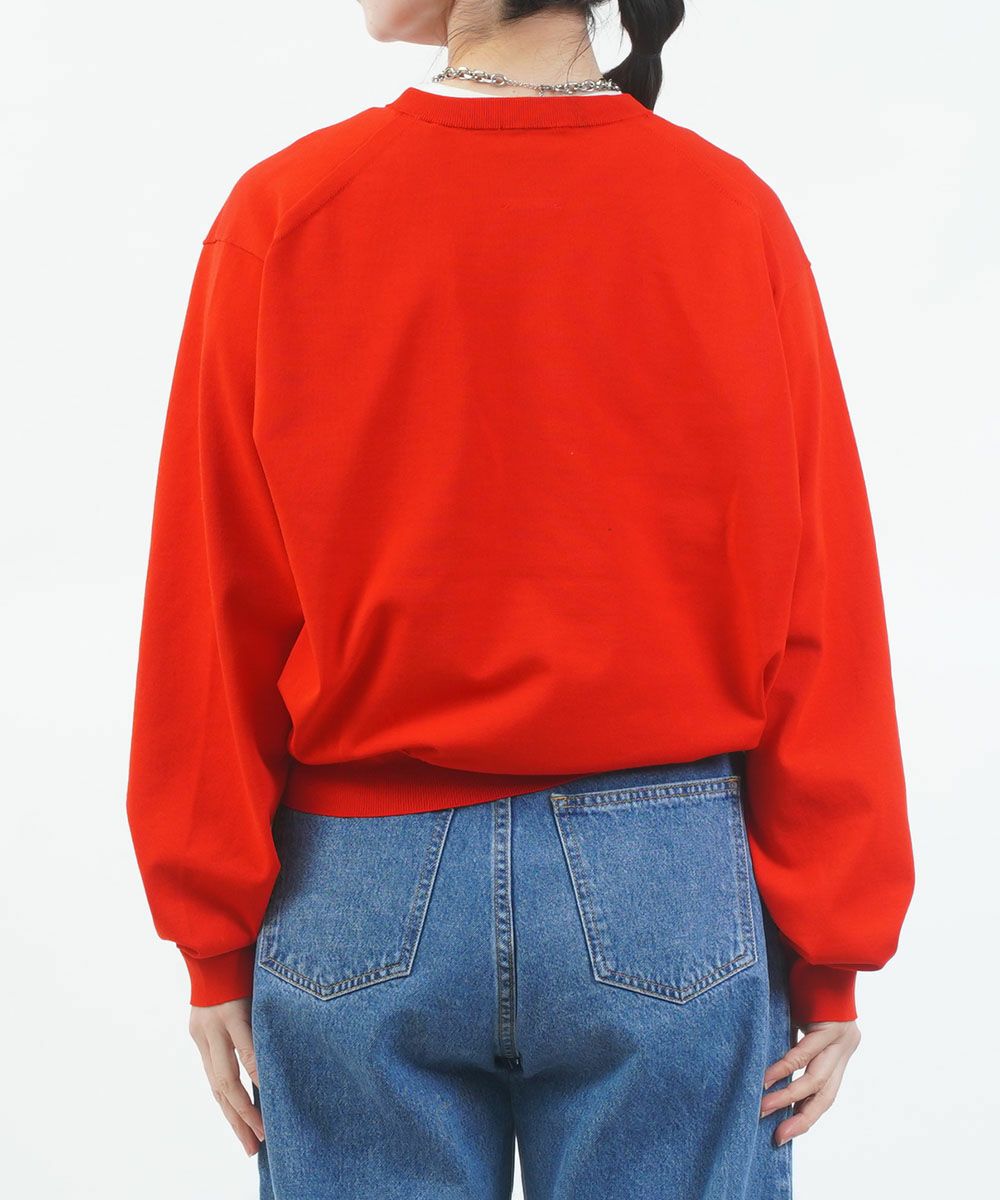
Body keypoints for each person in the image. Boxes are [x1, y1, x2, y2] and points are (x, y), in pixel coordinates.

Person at [124, 1, 916, 1196]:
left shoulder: (291, 211)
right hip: (665, 883)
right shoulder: (726, 213)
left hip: (357, 885)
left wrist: (213, 941)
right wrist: (831, 949)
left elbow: (213, 594)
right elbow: (818, 596)